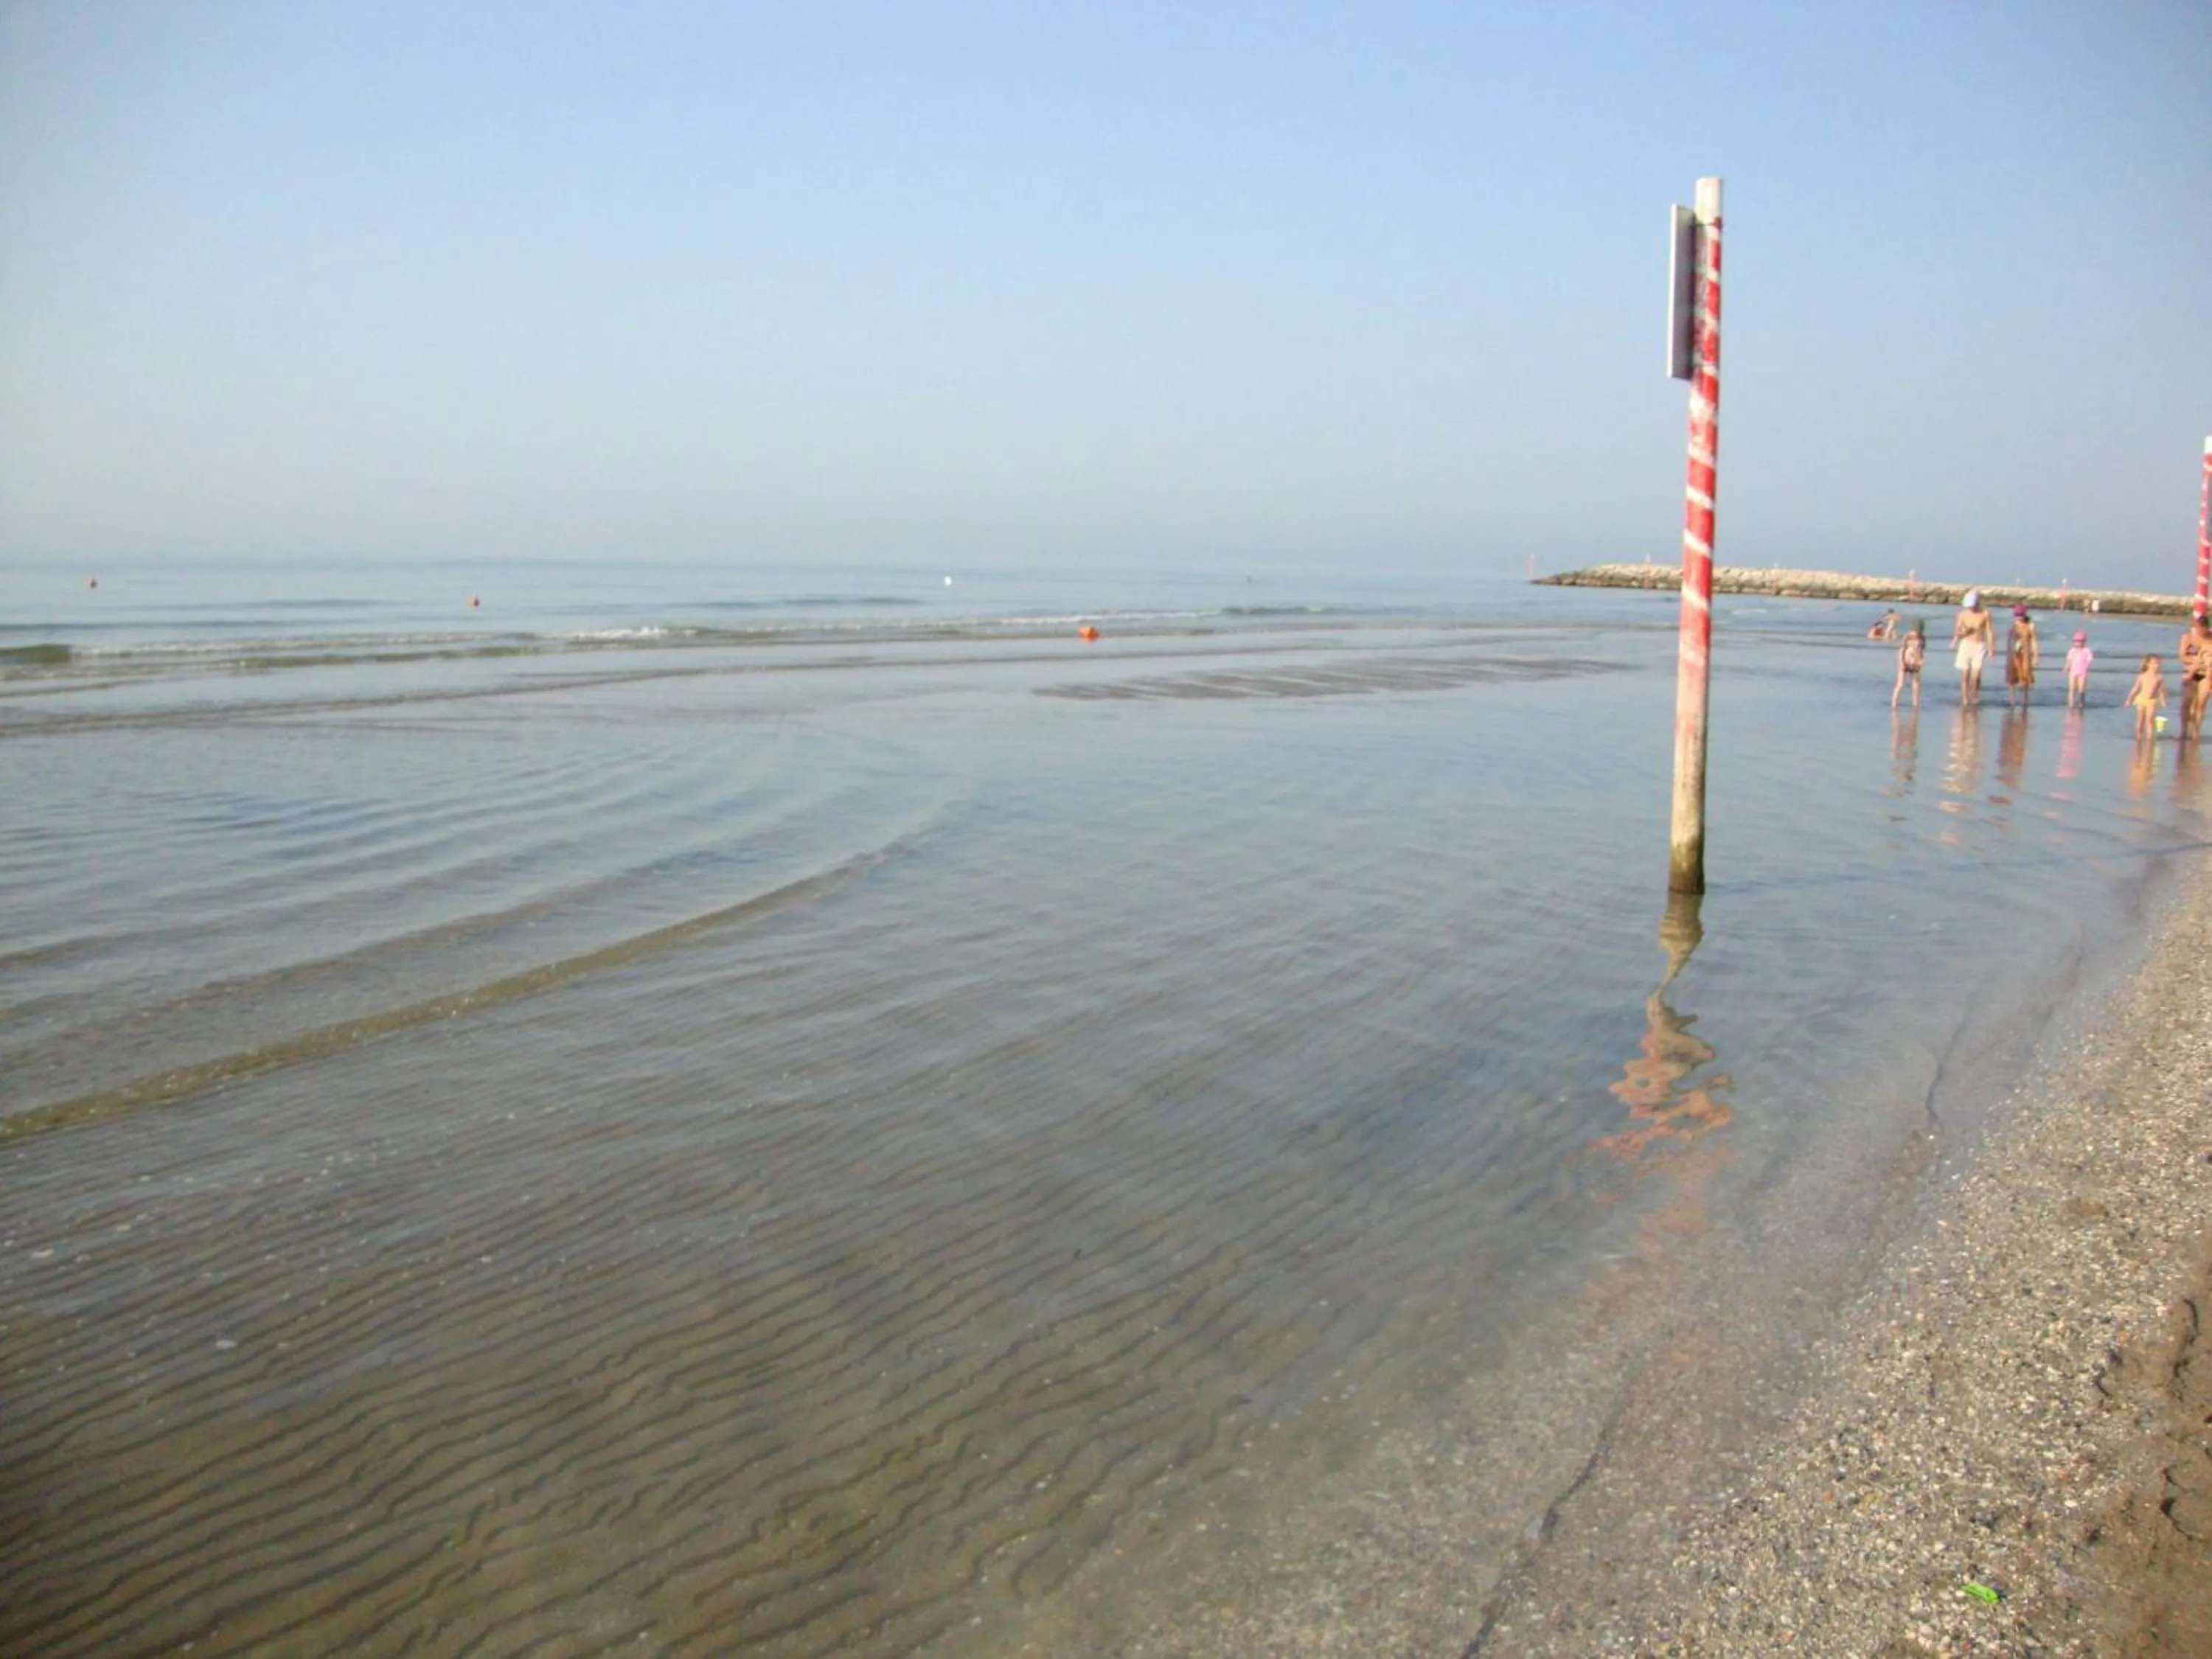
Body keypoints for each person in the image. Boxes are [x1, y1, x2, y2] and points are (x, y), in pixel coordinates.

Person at [1951, 590, 1994, 706]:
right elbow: (1957, 632)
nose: (1971, 608)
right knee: (1965, 675)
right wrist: (1961, 634)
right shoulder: (1962, 615)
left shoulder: (1985, 614)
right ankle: (1965, 700)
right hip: (1966, 645)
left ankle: (1974, 695)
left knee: (1976, 675)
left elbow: (1989, 632)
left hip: (1979, 646)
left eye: (1973, 606)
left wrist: (1991, 648)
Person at [2178, 613, 2212, 737]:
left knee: (2201, 704)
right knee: (2187, 703)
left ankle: (2196, 731)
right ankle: (2184, 730)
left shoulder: (2211, 638)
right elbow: (2182, 656)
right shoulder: (2188, 637)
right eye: (2198, 627)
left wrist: (2206, 664)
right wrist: (2195, 661)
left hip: (2206, 673)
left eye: (2203, 628)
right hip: (2190, 672)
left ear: (2207, 627)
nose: (2200, 630)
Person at [2005, 604, 2039, 708]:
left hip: (2026, 654)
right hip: (2013, 654)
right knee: (2012, 679)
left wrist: (2036, 656)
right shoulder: (2014, 625)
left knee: (2025, 679)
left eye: (2020, 615)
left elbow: (2033, 641)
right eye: (2017, 615)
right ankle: (2012, 701)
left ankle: (2025, 701)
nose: (2019, 617)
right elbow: (2010, 641)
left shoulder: (2030, 626)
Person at [2128, 654, 2167, 741]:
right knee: (2140, 720)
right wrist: (2129, 699)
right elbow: (2136, 688)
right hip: (2141, 700)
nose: (2157, 665)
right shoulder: (2142, 676)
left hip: (2152, 701)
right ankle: (2139, 736)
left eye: (2159, 663)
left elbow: (2162, 691)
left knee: (2150, 719)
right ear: (2148, 664)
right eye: (2155, 663)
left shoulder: (2159, 677)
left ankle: (2149, 737)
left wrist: (2163, 701)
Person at [1891, 619, 1925, 709]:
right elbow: (1902, 650)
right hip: (1905, 662)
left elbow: (1921, 651)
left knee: (1916, 684)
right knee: (1900, 684)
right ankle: (1894, 704)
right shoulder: (1908, 637)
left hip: (1915, 663)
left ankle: (1915, 704)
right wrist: (1901, 663)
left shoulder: (1922, 638)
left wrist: (1921, 661)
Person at [2065, 630, 2093, 709]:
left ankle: (2081, 703)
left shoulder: (2087, 650)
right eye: (2076, 641)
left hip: (2082, 672)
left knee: (2081, 690)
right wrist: (2067, 667)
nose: (2078, 643)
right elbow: (2069, 660)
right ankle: (2071, 704)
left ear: (2084, 642)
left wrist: (2087, 666)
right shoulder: (2072, 651)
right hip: (2073, 672)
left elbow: (2089, 660)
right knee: (2071, 689)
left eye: (2080, 641)